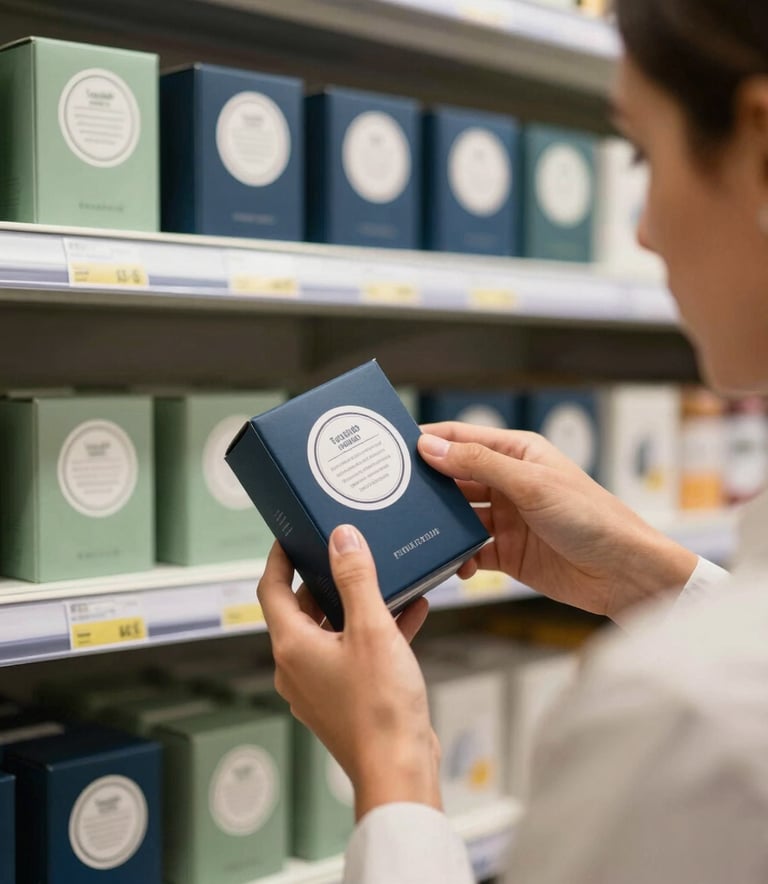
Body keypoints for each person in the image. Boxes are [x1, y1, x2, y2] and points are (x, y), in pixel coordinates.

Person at [257, 1, 768, 881]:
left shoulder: (682, 711)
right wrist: (652, 577)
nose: (643, 229)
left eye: (644, 154)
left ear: (760, 149)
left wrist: (394, 766)